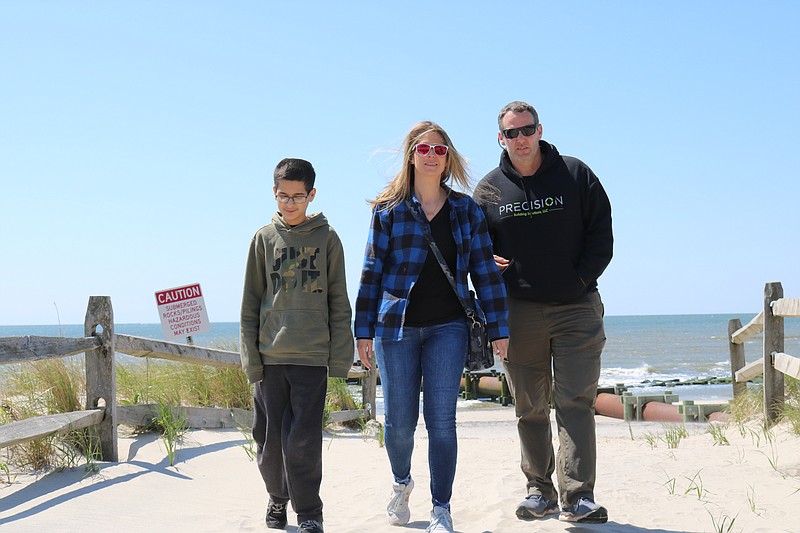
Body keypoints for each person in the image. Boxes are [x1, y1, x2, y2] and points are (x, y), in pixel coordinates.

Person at [354, 121, 509, 533]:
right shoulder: (388, 211)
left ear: (448, 158)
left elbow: (483, 270)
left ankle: (442, 509)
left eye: (440, 150)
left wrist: (499, 327)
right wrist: (362, 329)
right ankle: (402, 482)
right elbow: (372, 271)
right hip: (396, 326)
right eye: (423, 149)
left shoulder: (466, 210)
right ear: (411, 154)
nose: (431, 155)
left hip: (449, 326)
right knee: (400, 422)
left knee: (441, 421)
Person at [474, 101, 613, 524]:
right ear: (501, 138)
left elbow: (601, 237)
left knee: (576, 401)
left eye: (527, 130)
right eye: (511, 133)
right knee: (530, 407)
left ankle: (578, 496)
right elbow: (473, 250)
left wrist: (576, 282)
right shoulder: (488, 191)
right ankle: (539, 491)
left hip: (577, 308)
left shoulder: (575, 174)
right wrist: (486, 265)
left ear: (539, 130)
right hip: (520, 313)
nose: (520, 139)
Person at [239, 158, 354, 533]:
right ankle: (276, 499)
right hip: (270, 358)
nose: (290, 204)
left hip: (310, 357)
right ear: (274, 193)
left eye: (298, 196)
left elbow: (339, 300)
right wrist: (251, 361)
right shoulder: (263, 239)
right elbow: (250, 305)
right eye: (283, 196)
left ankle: (310, 514)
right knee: (269, 441)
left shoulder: (327, 239)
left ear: (311, 195)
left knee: (303, 441)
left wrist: (339, 358)